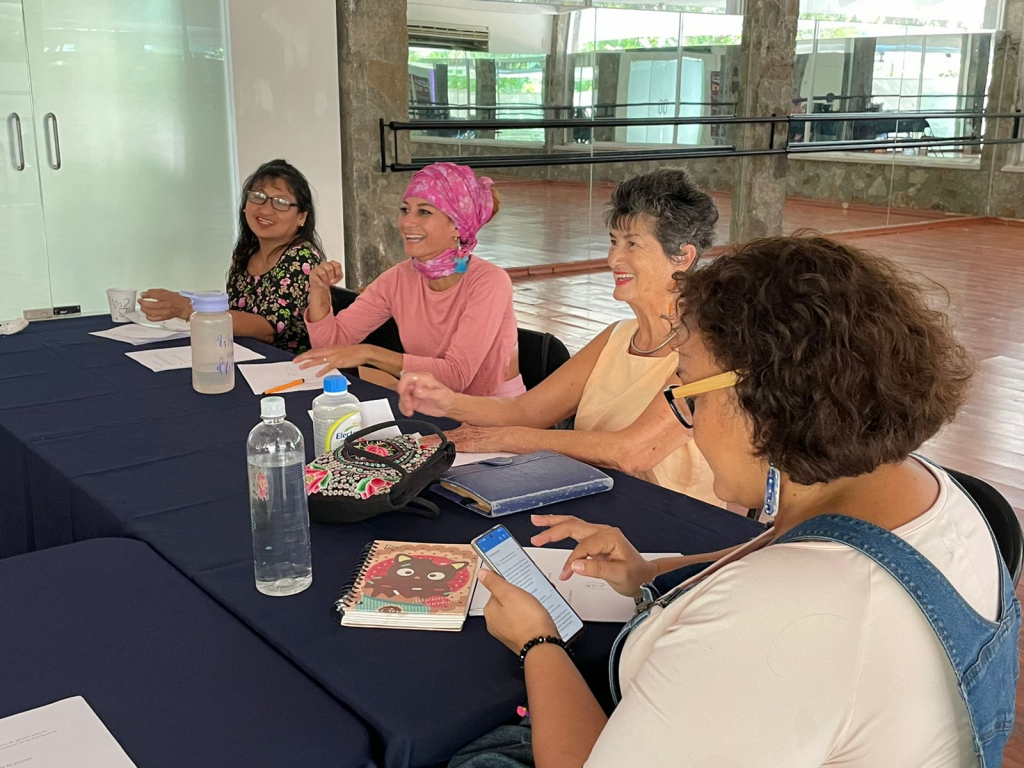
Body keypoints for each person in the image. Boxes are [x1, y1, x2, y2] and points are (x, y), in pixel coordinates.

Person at [453, 235, 1017, 768]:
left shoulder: (780, 613)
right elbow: (799, 552)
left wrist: (538, 640)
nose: (689, 422)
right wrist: (652, 574)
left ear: (763, 399)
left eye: (689, 392)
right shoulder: (931, 491)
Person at [398, 168, 721, 504]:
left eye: (632, 244)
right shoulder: (617, 336)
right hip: (594, 500)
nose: (613, 258)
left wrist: (502, 439)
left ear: (682, 257)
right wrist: (447, 401)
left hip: (669, 515)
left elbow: (631, 452)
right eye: (613, 242)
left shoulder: (708, 352)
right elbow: (525, 411)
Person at [294, 162, 524, 398]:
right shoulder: (398, 278)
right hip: (429, 404)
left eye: (424, 212)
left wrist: (369, 353)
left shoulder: (490, 281)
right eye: (405, 210)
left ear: (457, 225)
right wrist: (319, 291)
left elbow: (456, 376)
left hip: (494, 412)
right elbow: (330, 350)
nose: (406, 222)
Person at [139, 159, 324, 353]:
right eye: (258, 196)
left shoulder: (302, 257)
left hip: (285, 364)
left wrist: (189, 309)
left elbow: (268, 329)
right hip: (238, 354)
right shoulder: (248, 250)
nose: (265, 209)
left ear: (301, 216)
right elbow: (234, 311)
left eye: (281, 202)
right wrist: (193, 303)